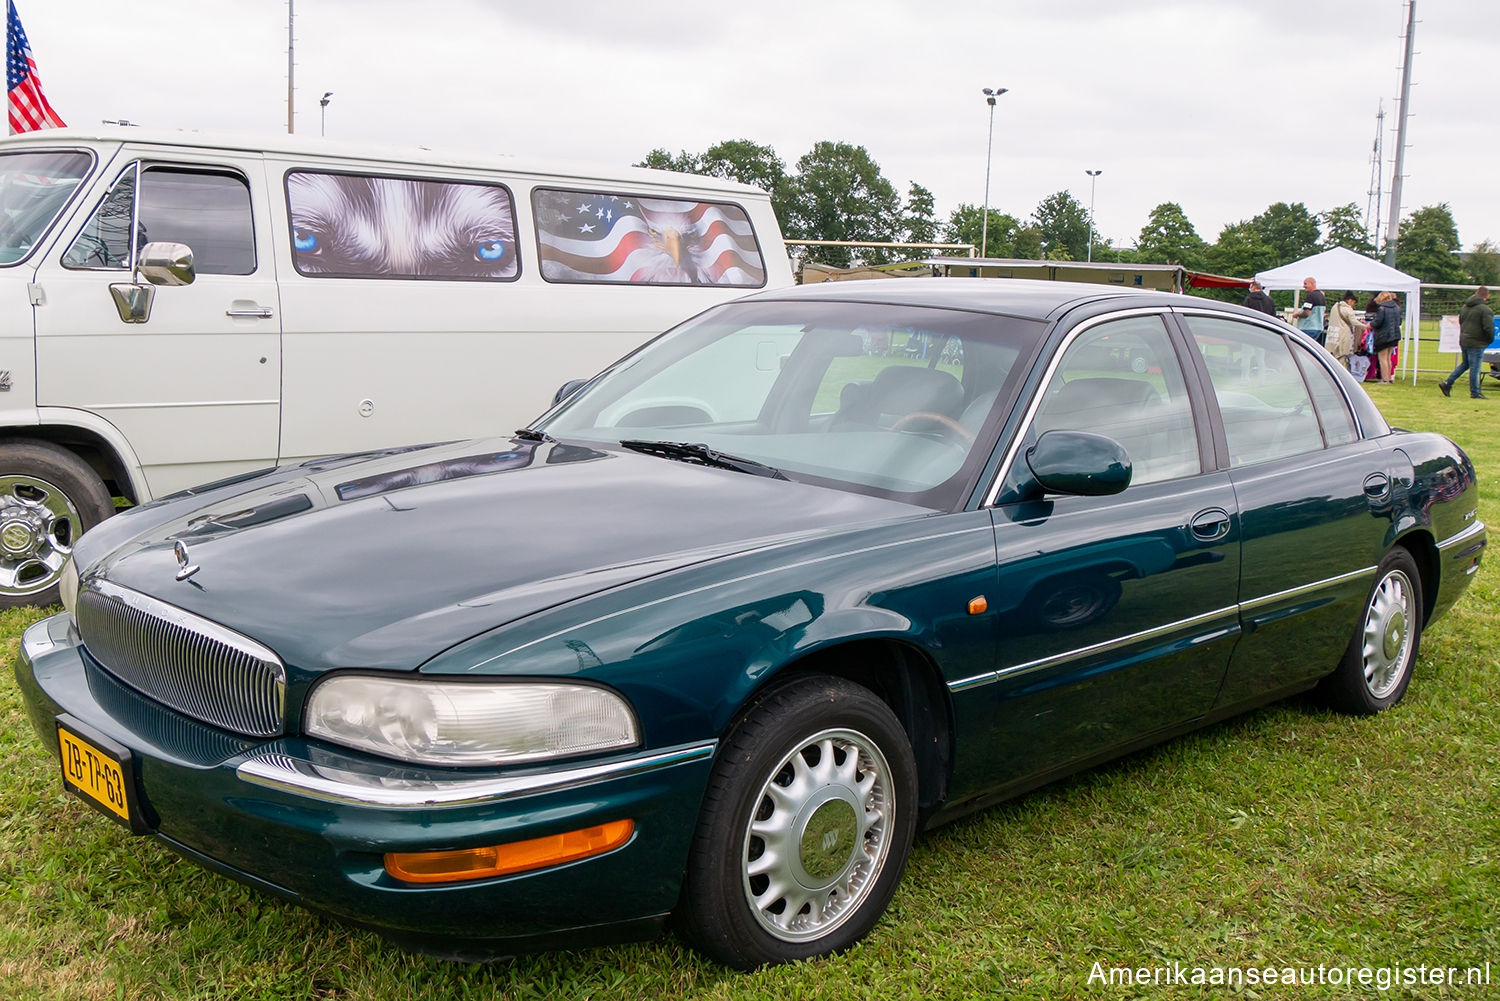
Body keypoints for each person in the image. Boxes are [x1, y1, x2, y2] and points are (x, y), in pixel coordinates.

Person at [1438, 286, 1492, 399]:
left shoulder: (1465, 307)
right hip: (1477, 342)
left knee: (1465, 364)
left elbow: (1461, 321)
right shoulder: (1485, 310)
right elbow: (1488, 328)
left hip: (1464, 339)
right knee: (1475, 367)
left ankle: (1448, 383)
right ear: (1487, 296)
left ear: (1476, 293)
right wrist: (1489, 340)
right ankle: (1475, 392)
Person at [1368, 291, 1403, 383]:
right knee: (1388, 358)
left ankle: (1384, 379)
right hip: (1394, 335)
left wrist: (1370, 324)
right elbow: (1399, 321)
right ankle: (1389, 377)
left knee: (1382, 358)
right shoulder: (1397, 308)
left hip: (1383, 336)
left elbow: (1378, 322)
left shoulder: (1382, 308)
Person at [1325, 291, 1361, 369]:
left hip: (1332, 335)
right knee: (1341, 356)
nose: (1353, 305)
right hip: (1343, 335)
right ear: (1350, 300)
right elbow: (1354, 322)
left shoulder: (1335, 306)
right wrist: (1366, 327)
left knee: (1331, 356)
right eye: (1353, 302)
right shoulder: (1348, 309)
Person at [1295, 276, 1327, 345]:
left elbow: (1306, 313)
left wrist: (1297, 314)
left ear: (1312, 284)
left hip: (1308, 327)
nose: (1303, 286)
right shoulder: (1321, 296)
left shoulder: (1310, 296)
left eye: (1305, 284)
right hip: (1318, 328)